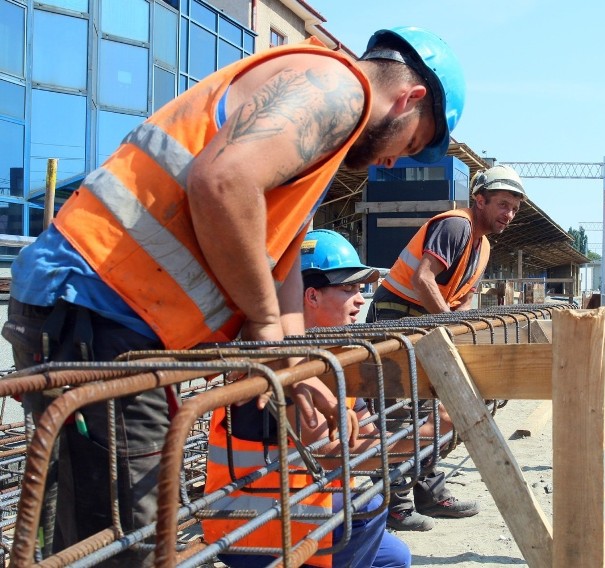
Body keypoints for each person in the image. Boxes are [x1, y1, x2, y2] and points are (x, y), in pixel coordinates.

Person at [2, 27, 465, 565]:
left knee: (97, 536)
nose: (391, 163)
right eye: (407, 145)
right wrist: (266, 326)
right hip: (90, 306)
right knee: (124, 547)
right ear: (408, 100)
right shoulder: (338, 88)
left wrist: (302, 377)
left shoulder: (315, 150)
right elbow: (222, 181)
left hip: (106, 318)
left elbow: (281, 272)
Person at [204, 229, 452, 567]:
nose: (361, 299)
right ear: (310, 296)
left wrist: (434, 432)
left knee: (395, 558)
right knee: (367, 507)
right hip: (256, 529)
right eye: (348, 289)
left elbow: (363, 436)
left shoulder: (332, 359)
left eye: (360, 289)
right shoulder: (281, 365)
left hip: (301, 509)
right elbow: (332, 456)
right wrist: (431, 433)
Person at [367, 164, 526, 531]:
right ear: (480, 200)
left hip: (423, 322)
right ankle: (395, 505)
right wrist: (448, 326)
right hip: (396, 317)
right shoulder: (458, 226)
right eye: (502, 204)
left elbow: (462, 300)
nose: (509, 214)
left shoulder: (482, 246)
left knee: (429, 411)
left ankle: (429, 495)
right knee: (398, 415)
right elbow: (424, 278)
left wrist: (461, 334)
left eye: (514, 208)